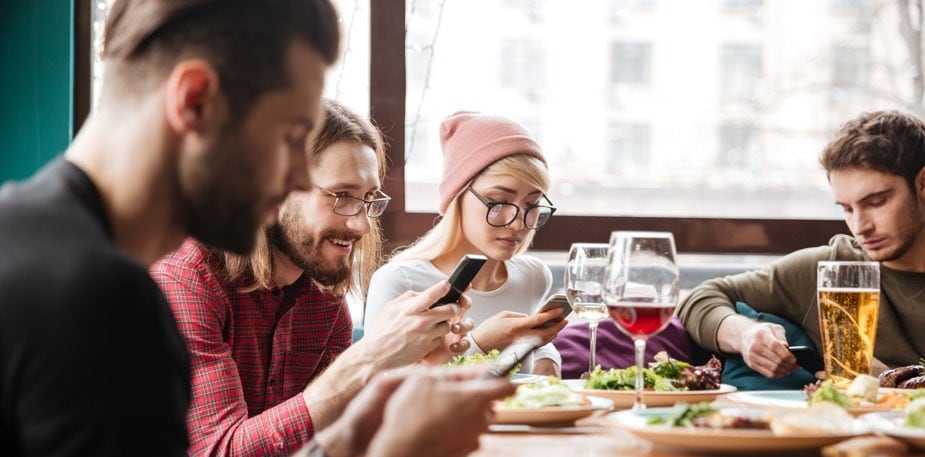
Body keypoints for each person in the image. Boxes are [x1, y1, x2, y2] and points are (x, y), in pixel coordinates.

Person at [0, 1, 339, 455]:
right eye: (290, 136)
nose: (301, 176)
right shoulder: (104, 302)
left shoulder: (18, 235)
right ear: (195, 101)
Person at [151, 99, 471, 456]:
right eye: (343, 196)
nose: (362, 224)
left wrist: (410, 368)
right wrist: (367, 358)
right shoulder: (187, 279)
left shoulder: (323, 298)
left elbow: (334, 442)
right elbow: (217, 451)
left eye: (368, 199)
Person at [678, 110, 925, 381]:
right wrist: (746, 335)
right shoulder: (833, 269)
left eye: (876, 202)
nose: (859, 226)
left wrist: (893, 381)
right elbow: (699, 299)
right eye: (847, 208)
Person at [365, 111, 568, 376]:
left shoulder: (532, 276)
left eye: (531, 205)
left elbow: (535, 345)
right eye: (498, 203)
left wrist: (547, 358)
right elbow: (374, 391)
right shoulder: (402, 281)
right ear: (457, 196)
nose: (517, 223)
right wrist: (479, 345)